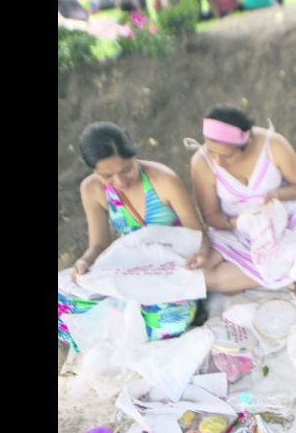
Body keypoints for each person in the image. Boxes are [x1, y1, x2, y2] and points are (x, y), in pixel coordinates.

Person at [58, 122, 212, 351]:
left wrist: (200, 256)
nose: (119, 182)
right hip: (131, 267)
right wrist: (85, 261)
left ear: (133, 154)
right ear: (93, 171)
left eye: (126, 170)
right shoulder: (91, 189)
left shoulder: (163, 180)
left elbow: (198, 236)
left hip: (170, 270)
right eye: (107, 176)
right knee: (63, 307)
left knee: (167, 322)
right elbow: (98, 244)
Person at [190, 104, 296, 295]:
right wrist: (239, 221)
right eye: (211, 151)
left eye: (226, 156)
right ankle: (285, 275)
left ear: (245, 144)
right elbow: (211, 216)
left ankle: (279, 273)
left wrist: (276, 195)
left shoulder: (273, 146)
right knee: (201, 275)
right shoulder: (202, 162)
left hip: (286, 219)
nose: (218, 161)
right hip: (236, 230)